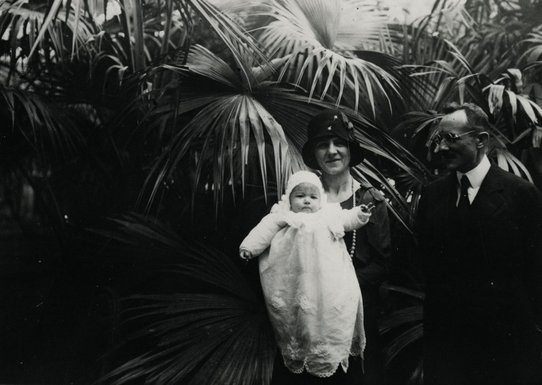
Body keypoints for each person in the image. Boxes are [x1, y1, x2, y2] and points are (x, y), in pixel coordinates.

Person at [416, 103, 542, 385]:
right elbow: (424, 265)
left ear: (481, 140)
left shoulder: (520, 194)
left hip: (506, 344)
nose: (441, 148)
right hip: (447, 344)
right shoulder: (432, 195)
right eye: (438, 140)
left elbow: (536, 273)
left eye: (451, 139)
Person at [239, 170, 374, 381]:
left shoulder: (328, 214)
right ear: (289, 198)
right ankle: (301, 350)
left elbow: (347, 220)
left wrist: (360, 213)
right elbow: (262, 231)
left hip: (326, 280)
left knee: (329, 313)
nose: (307, 202)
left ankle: (330, 350)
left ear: (320, 199)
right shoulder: (282, 215)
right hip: (293, 280)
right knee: (297, 316)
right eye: (300, 196)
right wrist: (249, 247)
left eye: (313, 197)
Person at [301, 110, 392, 385]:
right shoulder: (302, 198)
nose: (332, 151)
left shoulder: (370, 199)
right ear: (314, 153)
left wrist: (337, 286)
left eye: (338, 143)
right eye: (322, 144)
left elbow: (384, 262)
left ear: (350, 149)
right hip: (310, 320)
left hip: (356, 316)